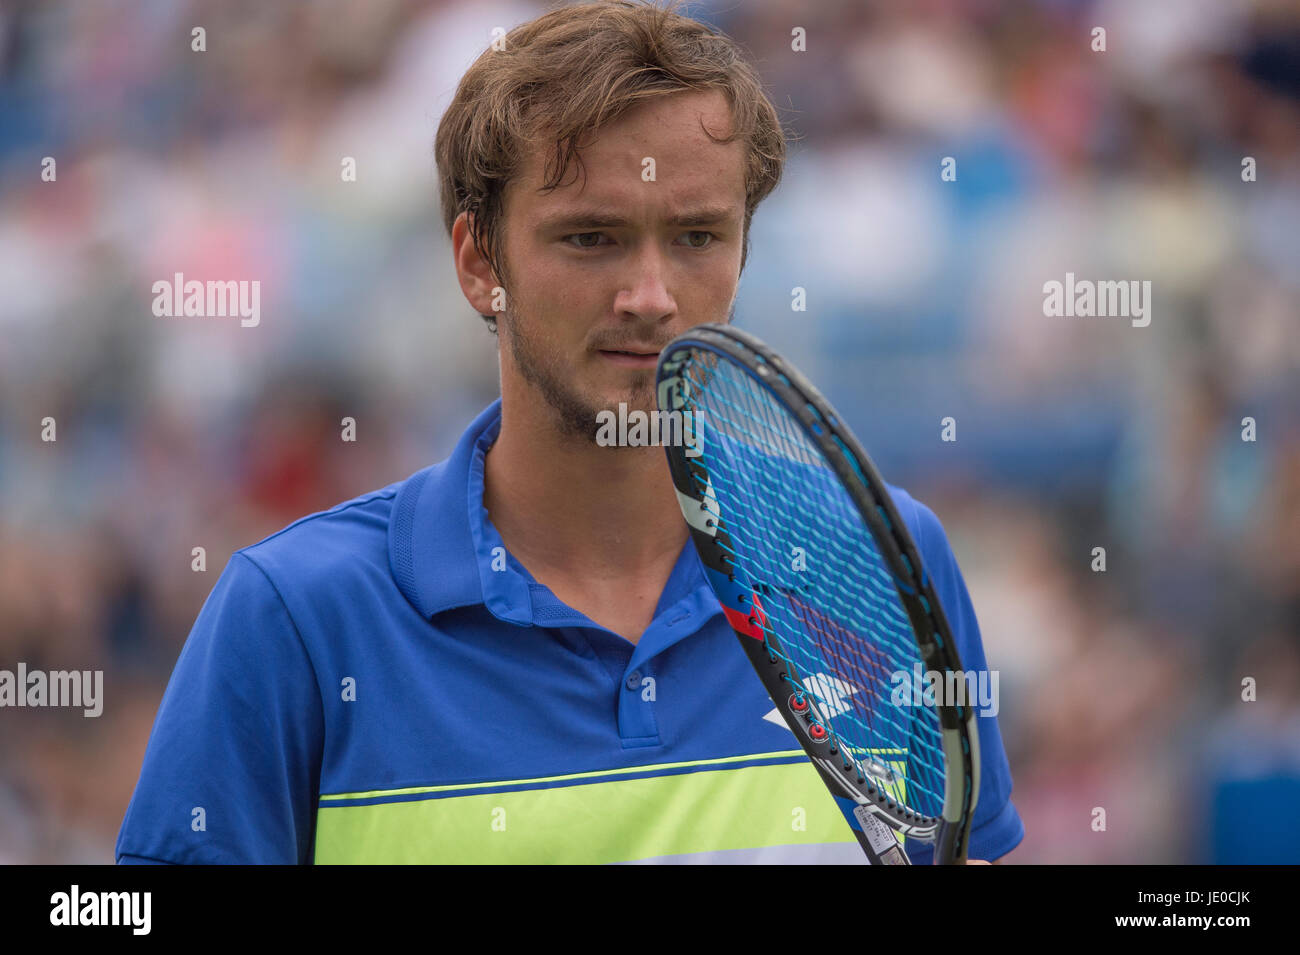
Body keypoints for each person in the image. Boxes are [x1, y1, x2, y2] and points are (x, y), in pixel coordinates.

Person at [117, 0, 1022, 864]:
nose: (651, 295)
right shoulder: (295, 614)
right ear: (481, 263)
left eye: (699, 236)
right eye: (591, 238)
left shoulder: (889, 561)